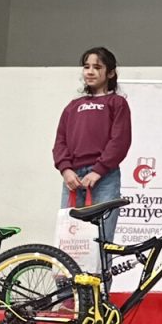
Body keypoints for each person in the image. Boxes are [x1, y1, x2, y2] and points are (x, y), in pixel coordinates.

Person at [53, 47, 132, 246]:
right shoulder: (72, 106)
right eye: (86, 67)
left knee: (101, 240)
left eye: (97, 67)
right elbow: (60, 141)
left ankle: (101, 269)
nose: (90, 71)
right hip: (73, 178)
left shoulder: (117, 103)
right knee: (70, 240)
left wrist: (98, 171)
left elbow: (120, 141)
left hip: (104, 178)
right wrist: (66, 170)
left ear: (110, 73)